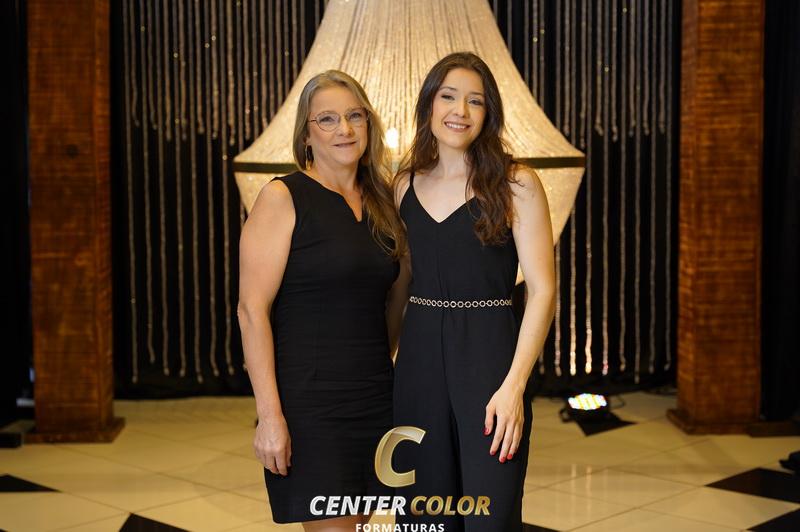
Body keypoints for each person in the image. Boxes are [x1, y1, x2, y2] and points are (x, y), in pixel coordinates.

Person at [391, 52, 556, 531]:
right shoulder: (403, 184)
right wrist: (385, 362)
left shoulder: (517, 182)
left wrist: (514, 386)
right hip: (419, 364)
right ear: (429, 104)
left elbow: (543, 290)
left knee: (490, 513)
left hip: (489, 362)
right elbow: (401, 284)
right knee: (423, 514)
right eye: (448, 96)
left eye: (475, 100)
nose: (459, 110)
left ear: (489, 113)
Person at [237, 70, 409, 531]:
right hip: (311, 405)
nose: (344, 129)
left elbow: (393, 302)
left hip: (374, 395)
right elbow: (251, 312)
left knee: (363, 523)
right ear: (306, 134)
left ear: (369, 125)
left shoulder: (384, 202)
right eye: (327, 119)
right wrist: (270, 417)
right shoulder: (282, 198)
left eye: (355, 116)